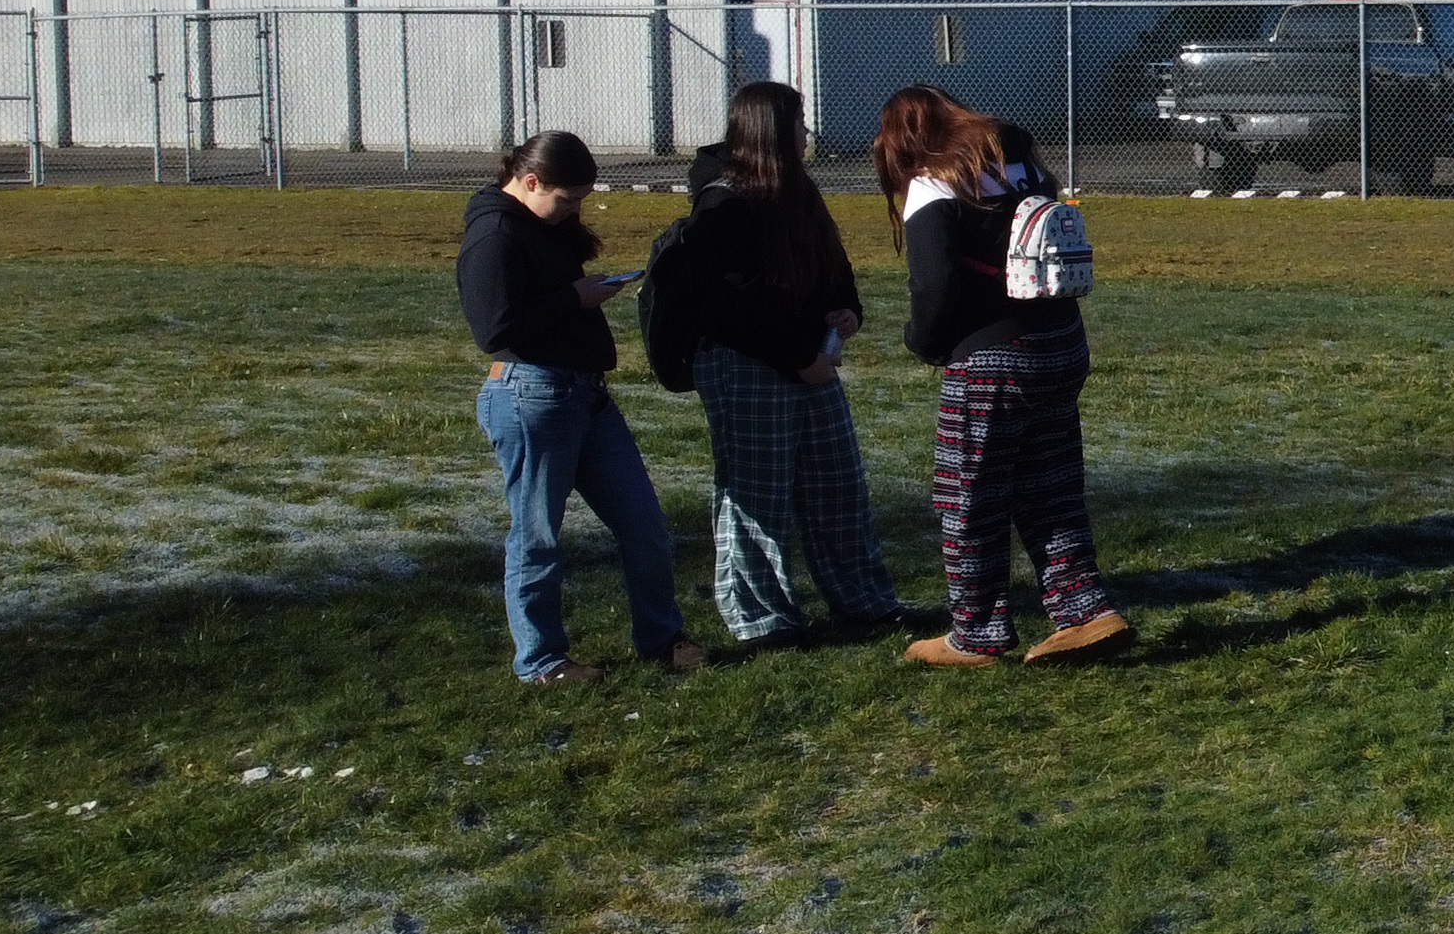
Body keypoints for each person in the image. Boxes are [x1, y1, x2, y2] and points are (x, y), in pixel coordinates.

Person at [878, 84, 1130, 666]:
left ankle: (976, 633)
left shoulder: (934, 182)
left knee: (969, 496)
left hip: (991, 358)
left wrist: (924, 342)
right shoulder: (1021, 162)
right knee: (1051, 487)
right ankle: (1085, 610)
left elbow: (935, 288)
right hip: (1061, 340)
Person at [460, 130, 701, 684]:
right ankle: (541, 660)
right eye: (566, 200)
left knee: (644, 524)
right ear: (529, 181)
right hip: (530, 396)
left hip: (585, 394)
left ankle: (662, 638)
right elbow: (493, 327)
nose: (574, 211)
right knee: (538, 534)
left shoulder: (546, 223)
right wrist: (574, 298)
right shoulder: (493, 234)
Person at [674, 81, 904, 647]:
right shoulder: (723, 201)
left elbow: (833, 267)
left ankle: (864, 600)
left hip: (810, 363)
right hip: (749, 365)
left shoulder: (798, 190)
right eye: (799, 124)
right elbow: (728, 307)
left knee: (837, 482)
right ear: (770, 131)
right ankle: (762, 617)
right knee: (758, 491)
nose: (807, 134)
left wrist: (846, 309)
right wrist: (799, 355)